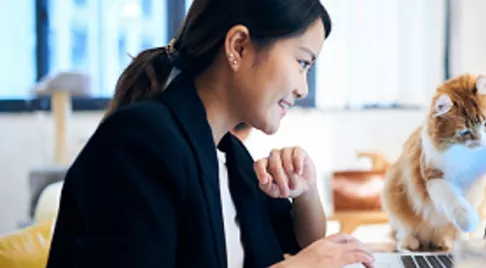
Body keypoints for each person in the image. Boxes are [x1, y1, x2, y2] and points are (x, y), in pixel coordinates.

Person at [46, 0, 374, 268]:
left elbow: (304, 244)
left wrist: (305, 189)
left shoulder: (231, 154)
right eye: (302, 62)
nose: (303, 89)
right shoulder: (138, 142)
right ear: (239, 47)